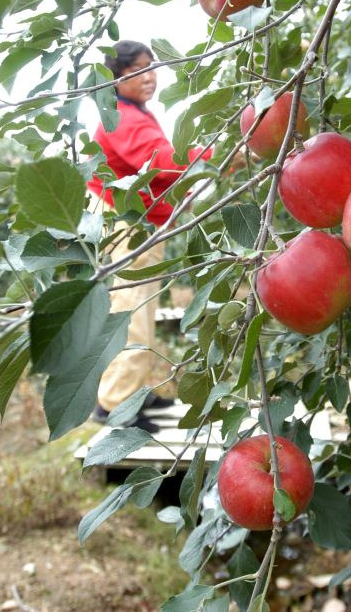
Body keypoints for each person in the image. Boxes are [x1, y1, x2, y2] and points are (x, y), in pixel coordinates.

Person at [87, 40, 210, 432]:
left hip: (138, 222)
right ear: (117, 78)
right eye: (138, 71)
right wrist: (212, 155)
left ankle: (132, 390)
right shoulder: (121, 117)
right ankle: (116, 403)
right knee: (131, 309)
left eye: (151, 68)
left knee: (141, 307)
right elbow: (162, 163)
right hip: (129, 223)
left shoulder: (132, 113)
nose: (150, 77)